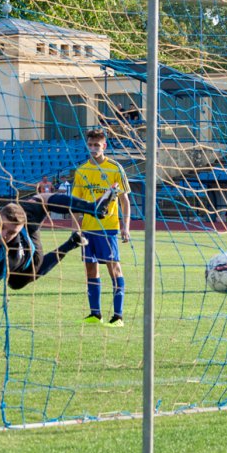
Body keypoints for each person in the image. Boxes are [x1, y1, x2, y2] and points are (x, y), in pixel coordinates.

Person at [72, 129, 131, 327]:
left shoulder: (115, 168)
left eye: (97, 145)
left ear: (104, 146)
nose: (93, 148)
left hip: (108, 228)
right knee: (90, 270)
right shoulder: (81, 171)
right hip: (88, 229)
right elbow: (75, 203)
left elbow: (124, 200)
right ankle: (95, 314)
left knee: (114, 269)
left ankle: (118, 316)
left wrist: (126, 226)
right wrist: (75, 229)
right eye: (90, 144)